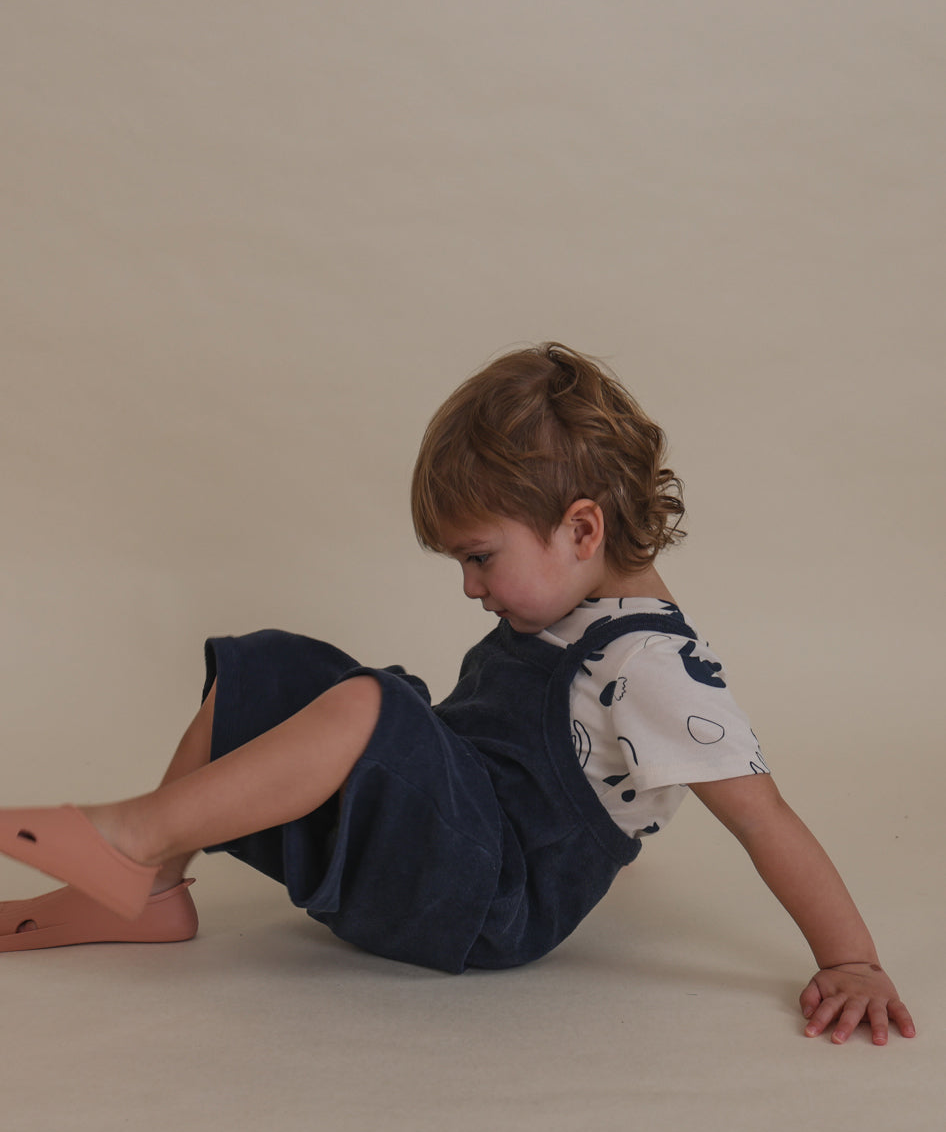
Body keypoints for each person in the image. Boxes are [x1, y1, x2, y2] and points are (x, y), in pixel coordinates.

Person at [0, 343, 915, 1046]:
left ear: (580, 527)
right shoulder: (568, 605)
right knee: (270, 664)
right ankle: (149, 889)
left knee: (373, 705)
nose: (471, 587)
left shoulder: (653, 670)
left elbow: (765, 817)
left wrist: (852, 960)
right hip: (440, 839)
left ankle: (130, 833)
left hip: (487, 901)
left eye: (480, 557)